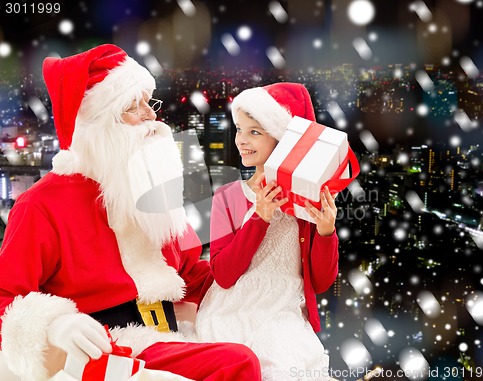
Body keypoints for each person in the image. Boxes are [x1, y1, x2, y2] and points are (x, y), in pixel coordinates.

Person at [0, 44, 261, 381]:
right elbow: (5, 296)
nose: (151, 117)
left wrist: (256, 274)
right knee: (236, 363)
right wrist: (56, 324)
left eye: (147, 103)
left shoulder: (148, 187)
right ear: (96, 124)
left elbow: (190, 272)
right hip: (111, 346)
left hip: (171, 333)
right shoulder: (41, 205)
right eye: (131, 107)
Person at [196, 83, 340, 380]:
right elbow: (223, 274)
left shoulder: (307, 204)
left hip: (284, 315)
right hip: (231, 312)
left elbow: (322, 281)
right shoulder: (228, 196)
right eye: (239, 129)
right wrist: (259, 217)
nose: (242, 141)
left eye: (255, 132)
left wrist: (326, 233)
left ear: (283, 141)